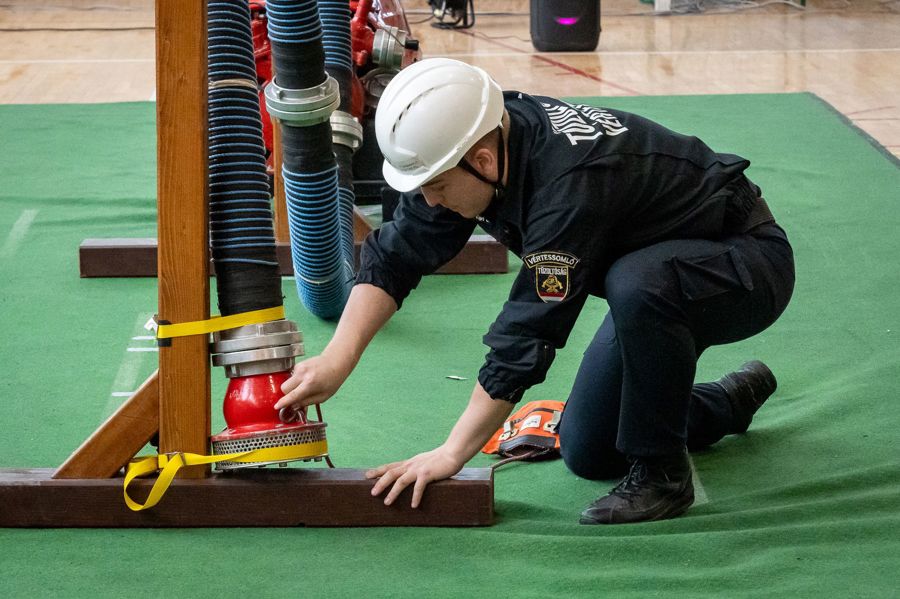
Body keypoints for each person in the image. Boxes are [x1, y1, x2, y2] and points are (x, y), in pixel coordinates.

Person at [274, 58, 795, 524]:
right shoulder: (481, 140)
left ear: (481, 162)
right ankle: (727, 402)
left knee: (636, 282)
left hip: (744, 266)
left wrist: (452, 453)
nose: (429, 202)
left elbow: (525, 339)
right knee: (590, 449)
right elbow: (397, 254)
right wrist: (338, 358)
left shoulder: (566, 188)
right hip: (658, 279)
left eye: (436, 186)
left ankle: (664, 477)